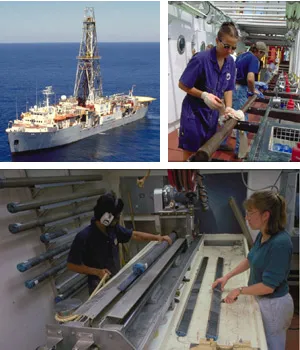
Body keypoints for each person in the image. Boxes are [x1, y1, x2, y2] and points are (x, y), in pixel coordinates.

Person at [212, 190, 294, 350]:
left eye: (250, 213)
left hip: (274, 305)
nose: (246, 217)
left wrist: (239, 290)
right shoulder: (263, 235)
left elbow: (269, 287)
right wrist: (227, 277)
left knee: (271, 345)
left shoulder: (280, 243)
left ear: (266, 215)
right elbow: (251, 259)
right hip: (261, 299)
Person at [67, 192, 172, 295]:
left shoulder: (112, 229)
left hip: (115, 279)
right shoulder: (84, 237)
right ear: (106, 218)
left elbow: (134, 235)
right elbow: (72, 265)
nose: (118, 220)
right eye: (116, 217)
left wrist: (158, 237)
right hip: (98, 285)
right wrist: (97, 272)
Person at [177, 22, 238, 161]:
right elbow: (183, 84)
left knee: (206, 152)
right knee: (190, 156)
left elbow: (228, 88)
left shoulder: (230, 63)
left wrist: (228, 108)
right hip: (194, 114)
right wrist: (203, 95)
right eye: (226, 46)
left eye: (233, 48)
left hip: (212, 117)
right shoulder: (201, 59)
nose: (229, 51)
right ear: (217, 41)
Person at [220, 41, 267, 158]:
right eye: (262, 54)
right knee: (242, 119)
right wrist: (253, 90)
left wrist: (253, 84)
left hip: (231, 88)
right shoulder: (254, 59)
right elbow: (250, 79)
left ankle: (221, 142)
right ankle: (240, 151)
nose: (262, 56)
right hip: (241, 90)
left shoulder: (241, 56)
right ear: (259, 52)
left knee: (229, 116)